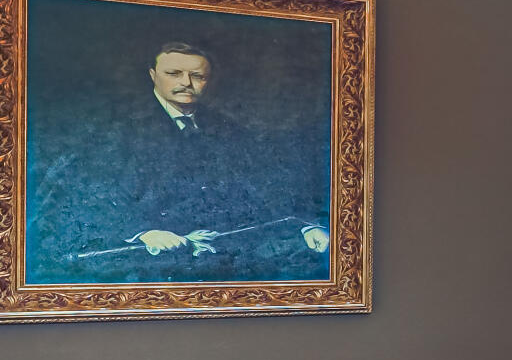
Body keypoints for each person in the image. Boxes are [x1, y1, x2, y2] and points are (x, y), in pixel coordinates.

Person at [38, 41, 330, 281]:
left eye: (197, 76)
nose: (186, 84)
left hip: (225, 260)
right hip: (148, 264)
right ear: (153, 75)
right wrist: (143, 232)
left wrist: (304, 225)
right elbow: (86, 197)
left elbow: (264, 186)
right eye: (174, 73)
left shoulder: (228, 129)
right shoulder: (115, 130)